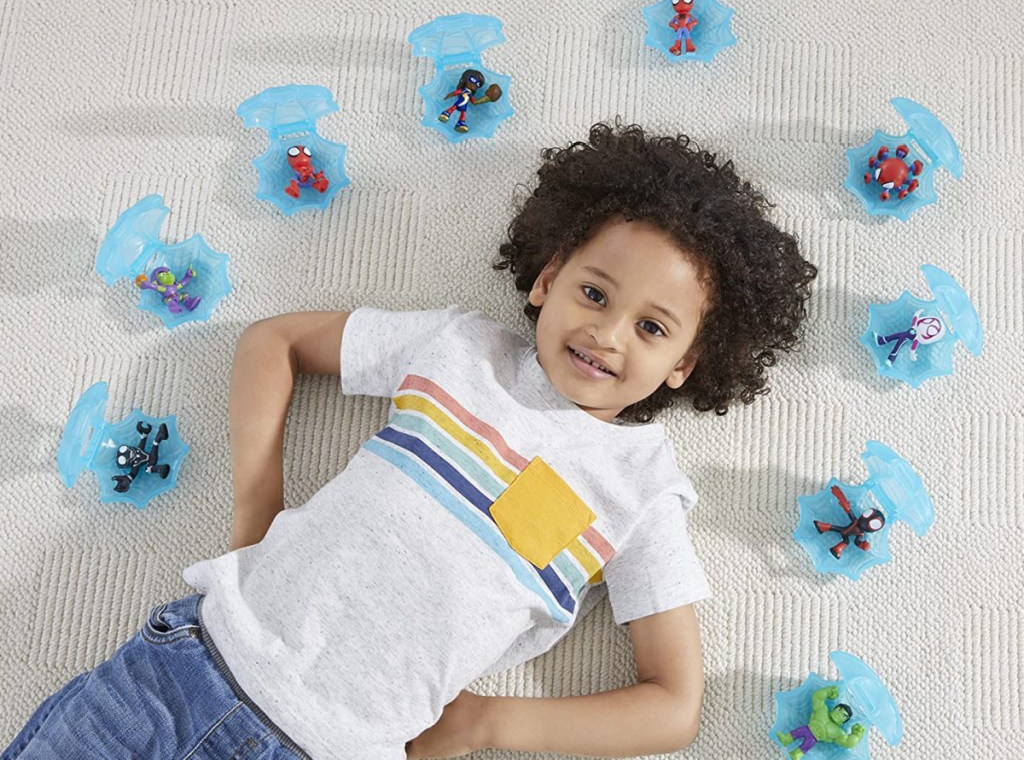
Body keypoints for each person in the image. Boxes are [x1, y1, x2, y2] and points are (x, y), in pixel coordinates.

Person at [3, 122, 817, 760]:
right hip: (179, 674)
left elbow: (673, 706)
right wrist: (259, 516)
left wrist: (490, 724)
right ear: (546, 279)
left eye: (651, 326)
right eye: (594, 292)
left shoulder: (641, 490)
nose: (607, 333)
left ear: (686, 364)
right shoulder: (460, 349)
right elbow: (271, 344)